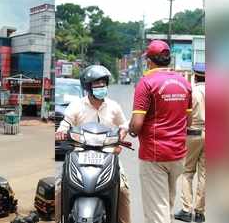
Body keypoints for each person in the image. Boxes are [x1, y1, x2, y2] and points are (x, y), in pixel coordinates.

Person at [55, 65, 131, 223]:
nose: (101, 87)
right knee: (59, 189)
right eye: (97, 84)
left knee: (123, 190)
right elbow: (65, 124)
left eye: (103, 83)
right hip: (79, 155)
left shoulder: (113, 106)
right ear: (88, 87)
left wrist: (122, 133)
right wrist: (61, 132)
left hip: (108, 155)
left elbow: (124, 125)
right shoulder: (76, 106)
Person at [129, 40, 192, 223]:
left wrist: (131, 129)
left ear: (149, 61)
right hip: (178, 155)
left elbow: (137, 124)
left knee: (157, 212)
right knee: (167, 206)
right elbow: (187, 121)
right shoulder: (184, 82)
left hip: (154, 156)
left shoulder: (146, 83)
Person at [174, 63, 205, 223]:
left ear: (195, 75)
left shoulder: (191, 92)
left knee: (187, 172)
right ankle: (200, 213)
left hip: (193, 133)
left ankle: (187, 209)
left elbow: (183, 116)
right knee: (204, 175)